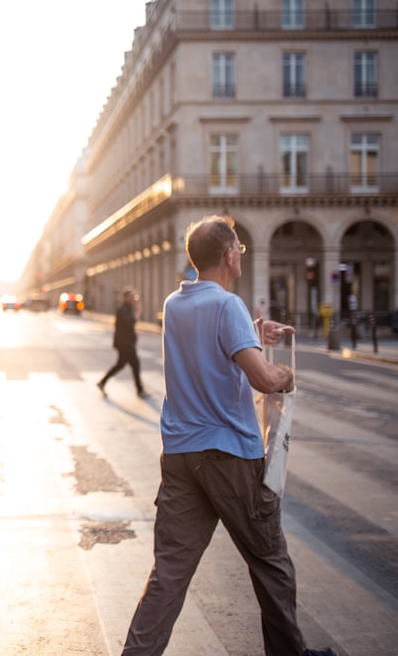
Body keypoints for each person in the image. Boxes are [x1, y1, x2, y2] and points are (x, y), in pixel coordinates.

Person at [121, 216, 336, 656]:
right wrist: (287, 375)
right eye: (239, 246)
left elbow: (207, 351)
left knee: (170, 575)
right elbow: (262, 379)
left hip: (182, 457)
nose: (241, 252)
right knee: (270, 563)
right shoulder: (227, 304)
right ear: (229, 254)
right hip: (229, 458)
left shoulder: (175, 304)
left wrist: (253, 335)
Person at [97, 286, 147, 398]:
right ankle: (140, 390)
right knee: (135, 364)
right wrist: (138, 313)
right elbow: (130, 323)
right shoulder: (123, 309)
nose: (135, 298)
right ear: (126, 297)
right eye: (132, 296)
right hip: (125, 344)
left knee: (120, 365)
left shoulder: (127, 308)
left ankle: (102, 382)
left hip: (125, 343)